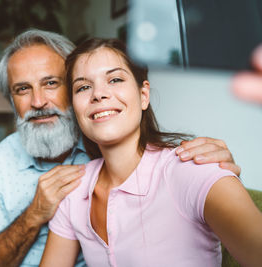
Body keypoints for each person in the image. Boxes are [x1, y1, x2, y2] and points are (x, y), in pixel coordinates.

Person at [0, 29, 241, 267]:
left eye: (51, 83)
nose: (38, 101)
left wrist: (214, 170)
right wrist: (33, 215)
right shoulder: (1, 161)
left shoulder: (111, 136)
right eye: (22, 89)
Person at [40, 38, 262, 267]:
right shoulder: (73, 190)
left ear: (143, 95)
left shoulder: (192, 168)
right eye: (83, 87)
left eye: (115, 79)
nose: (98, 94)